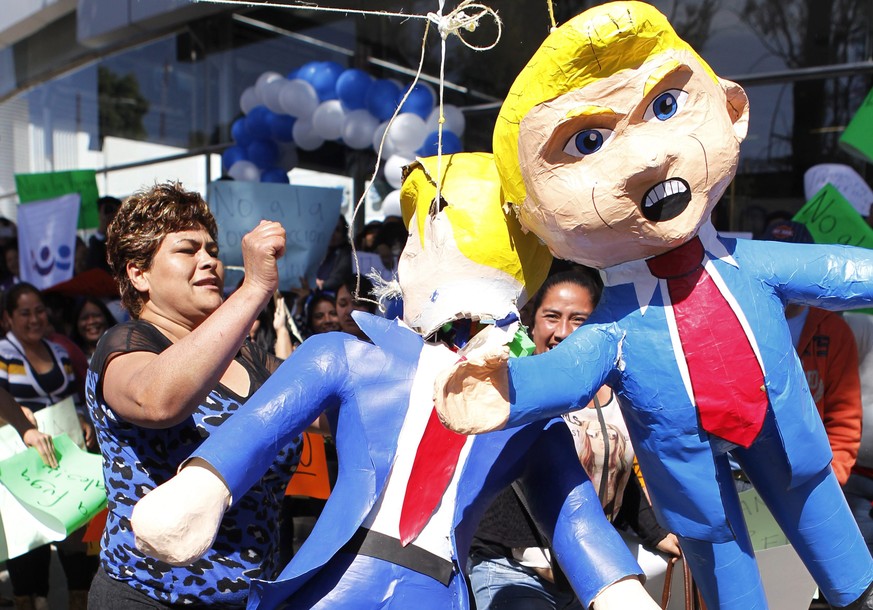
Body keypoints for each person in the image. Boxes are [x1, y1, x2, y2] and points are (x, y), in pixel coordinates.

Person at [434, 4, 873, 609]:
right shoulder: (612, 323)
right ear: (534, 219)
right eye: (587, 141)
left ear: (732, 110)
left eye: (664, 106)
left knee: (840, 553)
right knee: (720, 555)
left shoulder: (750, 264)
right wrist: (506, 389)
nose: (644, 159)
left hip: (786, 434)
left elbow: (837, 271)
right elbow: (569, 369)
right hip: (690, 477)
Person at [131, 153, 659, 610]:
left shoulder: (522, 412)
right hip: (338, 576)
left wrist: (615, 585)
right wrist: (204, 484)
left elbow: (573, 516)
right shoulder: (346, 357)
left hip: (435, 587)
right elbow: (259, 426)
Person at [85, 181, 302, 608]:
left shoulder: (251, 358)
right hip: (148, 598)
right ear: (139, 272)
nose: (210, 262)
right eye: (188, 250)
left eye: (213, 251)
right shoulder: (125, 344)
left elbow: (328, 407)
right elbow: (158, 401)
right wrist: (254, 289)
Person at [469, 269, 679, 610]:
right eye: (552, 317)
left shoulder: (618, 398)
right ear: (532, 321)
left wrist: (658, 534)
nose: (562, 332)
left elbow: (615, 476)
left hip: (590, 580)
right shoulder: (507, 388)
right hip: (514, 571)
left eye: (578, 319)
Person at [0, 282, 95, 610]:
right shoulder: (2, 353)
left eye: (39, 310)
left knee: (81, 557)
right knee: (29, 559)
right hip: (21, 473)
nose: (33, 319)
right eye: (24, 313)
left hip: (65, 467)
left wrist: (83, 420)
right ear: (7, 318)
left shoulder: (60, 352)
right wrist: (18, 422)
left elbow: (72, 400)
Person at [763, 220, 863, 486]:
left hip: (812, 483)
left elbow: (844, 418)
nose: (780, 273)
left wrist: (832, 482)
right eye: (771, 261)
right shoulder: (735, 322)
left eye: (791, 263)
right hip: (745, 477)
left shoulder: (834, 331)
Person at [69, 297, 118, 362]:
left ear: (106, 317)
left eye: (96, 316)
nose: (91, 321)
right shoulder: (71, 357)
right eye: (85, 318)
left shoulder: (121, 349)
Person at [86, 196, 121, 273]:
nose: (110, 214)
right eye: (106, 210)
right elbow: (92, 263)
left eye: (113, 210)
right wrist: (102, 228)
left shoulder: (123, 239)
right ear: (99, 215)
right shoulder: (94, 242)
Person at [335, 276, 376, 341]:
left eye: (357, 303)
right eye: (343, 304)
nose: (349, 311)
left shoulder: (386, 345)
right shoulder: (329, 347)